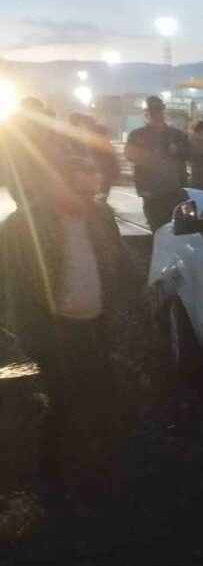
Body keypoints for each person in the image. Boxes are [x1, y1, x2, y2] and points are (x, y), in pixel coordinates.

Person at [0, 155, 132, 493]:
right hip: (54, 330)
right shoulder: (25, 224)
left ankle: (102, 469)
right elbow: (14, 284)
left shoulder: (99, 216)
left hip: (95, 323)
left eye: (94, 191)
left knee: (102, 397)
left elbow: (117, 263)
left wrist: (124, 303)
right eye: (82, 192)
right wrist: (32, 333)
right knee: (64, 403)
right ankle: (52, 476)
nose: (91, 199)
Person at [124, 96, 189, 231]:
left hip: (176, 191)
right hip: (151, 193)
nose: (157, 116)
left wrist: (177, 150)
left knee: (180, 229)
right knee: (157, 228)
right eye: (153, 113)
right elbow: (131, 156)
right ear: (146, 115)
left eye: (159, 112)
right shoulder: (137, 135)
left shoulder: (176, 134)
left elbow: (189, 154)